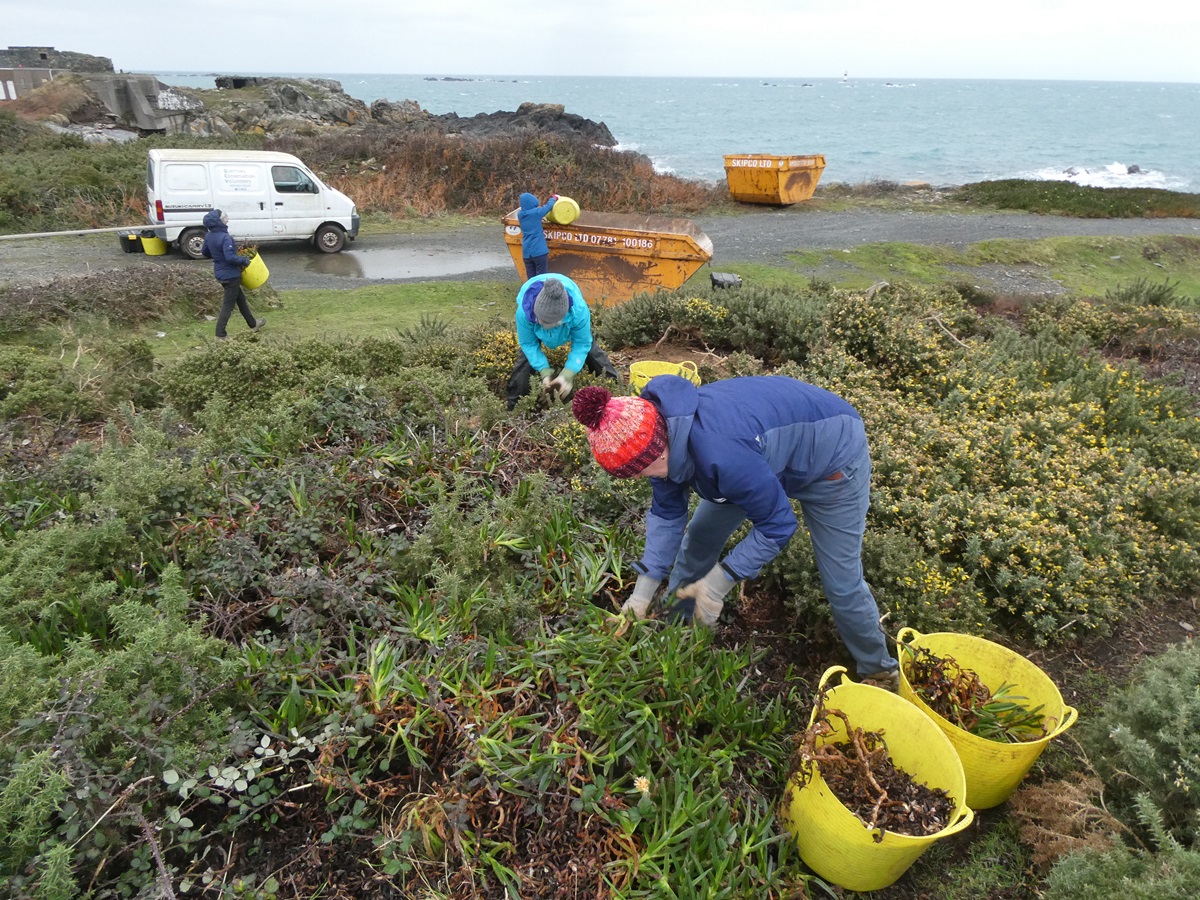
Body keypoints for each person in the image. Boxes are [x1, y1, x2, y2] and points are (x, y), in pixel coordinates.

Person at [570, 374, 899, 687]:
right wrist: (640, 597)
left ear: (658, 449)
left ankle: (880, 669)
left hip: (832, 461)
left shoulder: (722, 455)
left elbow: (778, 525)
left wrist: (718, 584)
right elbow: (668, 515)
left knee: (842, 583)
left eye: (638, 471)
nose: (639, 478)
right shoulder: (660, 433)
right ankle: (680, 628)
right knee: (699, 538)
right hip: (757, 458)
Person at [507, 274, 619, 410]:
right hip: (536, 320)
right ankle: (514, 406)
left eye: (548, 322)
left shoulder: (579, 311)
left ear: (561, 318)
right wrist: (545, 371)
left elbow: (581, 344)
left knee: (590, 348)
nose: (542, 324)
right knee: (524, 361)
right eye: (540, 319)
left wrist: (568, 374)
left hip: (571, 322)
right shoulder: (524, 312)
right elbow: (528, 344)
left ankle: (616, 390)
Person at [202, 208, 264, 339]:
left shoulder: (209, 236)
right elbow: (230, 257)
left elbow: (205, 252)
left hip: (220, 273)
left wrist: (217, 255)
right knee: (228, 306)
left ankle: (253, 324)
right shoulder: (225, 237)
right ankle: (220, 335)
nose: (227, 221)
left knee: (241, 300)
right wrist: (244, 261)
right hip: (231, 275)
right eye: (225, 219)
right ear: (219, 222)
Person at [516, 192, 558, 278]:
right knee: (541, 278)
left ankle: (531, 291)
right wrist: (554, 198)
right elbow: (547, 207)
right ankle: (540, 291)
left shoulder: (520, 215)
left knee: (531, 279)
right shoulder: (535, 213)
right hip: (539, 251)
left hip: (527, 253)